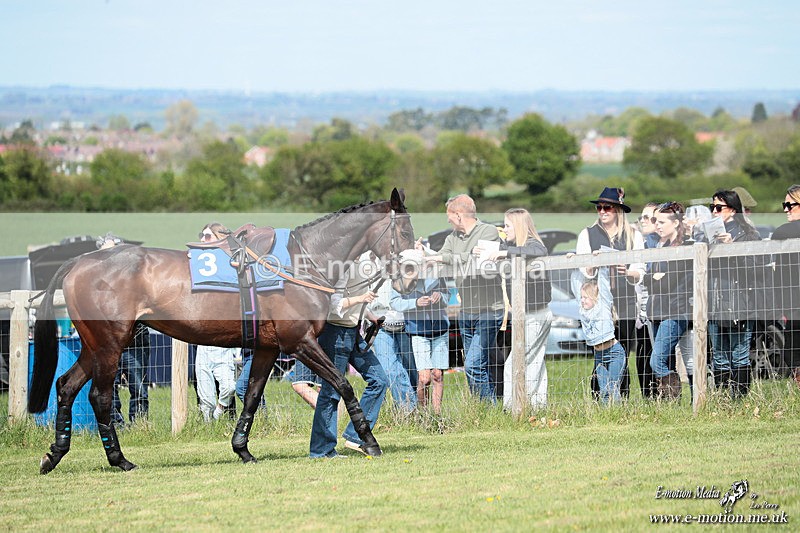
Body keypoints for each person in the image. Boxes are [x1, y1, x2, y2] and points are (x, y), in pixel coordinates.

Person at [420, 194, 504, 402]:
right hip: (466, 310)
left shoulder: (489, 232)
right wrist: (424, 254)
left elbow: (479, 260)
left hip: (489, 310)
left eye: (449, 215)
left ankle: (489, 410)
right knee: (476, 365)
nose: (447, 220)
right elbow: (442, 258)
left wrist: (445, 258)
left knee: (475, 364)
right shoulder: (452, 238)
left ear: (458, 215)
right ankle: (482, 407)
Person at [310, 254, 388, 458]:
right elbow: (333, 303)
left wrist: (371, 317)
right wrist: (361, 299)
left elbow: (358, 300)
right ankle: (321, 450)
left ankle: (356, 436)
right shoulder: (342, 266)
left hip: (353, 332)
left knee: (379, 380)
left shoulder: (363, 262)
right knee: (331, 391)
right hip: (334, 333)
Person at [478, 208, 553, 410]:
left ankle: (513, 409)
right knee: (535, 362)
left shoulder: (532, 244)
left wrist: (504, 253)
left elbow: (539, 252)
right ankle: (537, 406)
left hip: (537, 314)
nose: (504, 229)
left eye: (508, 225)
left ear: (519, 226)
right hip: (525, 315)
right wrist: (486, 252)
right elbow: (498, 251)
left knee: (515, 363)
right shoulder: (511, 245)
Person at [575, 187, 644, 399]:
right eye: (599, 207)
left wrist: (627, 271)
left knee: (622, 349)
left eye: (608, 207)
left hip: (624, 299)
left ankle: (620, 396)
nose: (602, 211)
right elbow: (583, 268)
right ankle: (599, 397)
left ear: (618, 210)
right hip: (598, 302)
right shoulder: (587, 234)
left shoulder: (633, 235)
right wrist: (593, 263)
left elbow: (640, 270)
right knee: (600, 349)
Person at [704, 189, 762, 399]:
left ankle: (739, 401)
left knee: (739, 355)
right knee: (719, 356)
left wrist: (733, 248)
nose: (714, 211)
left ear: (733, 209)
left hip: (741, 303)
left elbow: (757, 268)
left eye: (719, 208)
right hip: (715, 302)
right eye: (712, 207)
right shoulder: (709, 236)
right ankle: (721, 400)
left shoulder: (749, 235)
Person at [97, 233, 150, 425]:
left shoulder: (135, 276)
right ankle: (116, 424)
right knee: (110, 386)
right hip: (110, 342)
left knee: (139, 387)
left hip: (135, 339)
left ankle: (140, 424)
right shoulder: (96, 281)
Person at [390, 249, 450, 414]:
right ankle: (423, 414)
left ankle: (437, 416)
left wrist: (440, 297)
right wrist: (415, 303)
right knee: (424, 378)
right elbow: (394, 303)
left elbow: (447, 296)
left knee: (437, 374)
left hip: (440, 328)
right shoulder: (399, 281)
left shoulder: (436, 275)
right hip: (418, 330)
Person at [644, 202, 693, 400]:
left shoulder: (683, 247)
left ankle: (682, 398)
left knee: (657, 362)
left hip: (675, 311)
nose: (657, 225)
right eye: (655, 221)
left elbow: (668, 283)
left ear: (675, 223)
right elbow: (648, 278)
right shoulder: (659, 246)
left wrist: (657, 279)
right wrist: (655, 278)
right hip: (656, 310)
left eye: (662, 221)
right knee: (667, 359)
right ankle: (671, 403)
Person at [194, 222, 238, 420]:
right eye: (202, 235)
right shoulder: (197, 262)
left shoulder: (231, 262)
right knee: (205, 396)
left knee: (229, 387)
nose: (202, 239)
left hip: (224, 343)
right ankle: (207, 428)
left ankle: (220, 413)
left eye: (207, 236)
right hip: (204, 343)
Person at [369, 257, 417, 413]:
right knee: (390, 369)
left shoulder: (404, 259)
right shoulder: (366, 262)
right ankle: (408, 410)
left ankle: (421, 407)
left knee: (412, 371)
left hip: (406, 325)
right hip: (381, 326)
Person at [579, 271, 625, 404]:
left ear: (596, 297)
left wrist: (601, 263)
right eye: (581, 297)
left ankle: (617, 414)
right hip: (599, 355)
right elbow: (577, 280)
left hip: (614, 353)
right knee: (603, 390)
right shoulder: (583, 312)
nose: (582, 300)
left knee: (612, 387)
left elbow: (604, 284)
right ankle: (607, 416)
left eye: (586, 297)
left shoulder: (603, 306)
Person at [770, 184, 800, 387]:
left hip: (794, 303)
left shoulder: (784, 232)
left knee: (793, 352)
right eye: (784, 205)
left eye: (790, 205)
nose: (785, 209)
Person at [633, 202, 660, 399]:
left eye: (648, 217)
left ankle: (664, 397)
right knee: (642, 354)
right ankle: (648, 398)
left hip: (658, 308)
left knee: (659, 356)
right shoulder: (639, 243)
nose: (643, 220)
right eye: (642, 217)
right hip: (640, 310)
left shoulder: (659, 244)